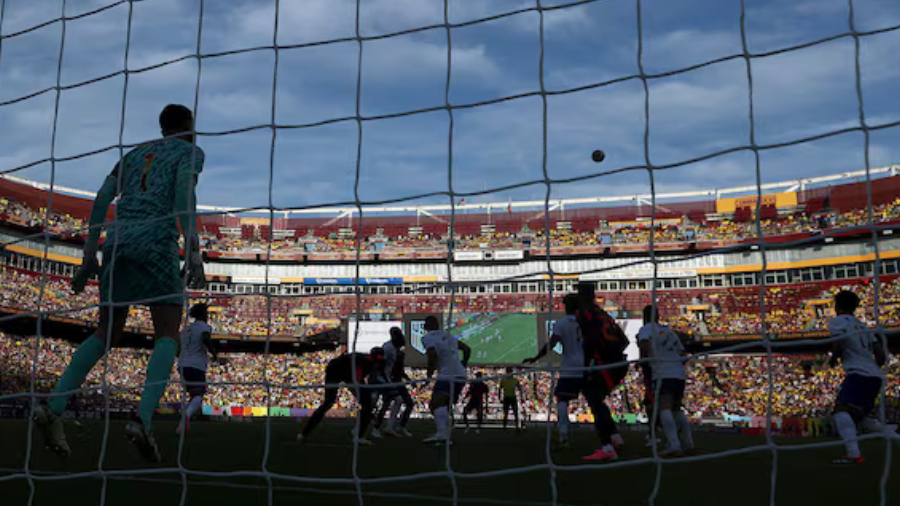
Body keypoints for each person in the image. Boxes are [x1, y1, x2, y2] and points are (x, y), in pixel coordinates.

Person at [33, 105, 205, 462]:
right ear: (188, 126)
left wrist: (88, 257)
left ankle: (55, 406)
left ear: (161, 127)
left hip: (116, 243)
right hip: (155, 242)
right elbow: (181, 198)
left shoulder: (134, 154)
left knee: (106, 332)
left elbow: (101, 198)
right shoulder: (190, 152)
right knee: (168, 334)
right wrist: (192, 247)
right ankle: (141, 420)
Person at [828, 290, 891, 464]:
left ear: (837, 305)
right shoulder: (862, 326)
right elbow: (881, 355)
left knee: (840, 411)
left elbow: (839, 341)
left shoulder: (837, 321)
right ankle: (894, 434)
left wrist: (833, 358)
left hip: (858, 373)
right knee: (860, 417)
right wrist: (872, 368)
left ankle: (853, 454)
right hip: (874, 375)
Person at [575, 282, 628, 461]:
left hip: (602, 362)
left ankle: (607, 447)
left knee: (594, 401)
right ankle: (614, 437)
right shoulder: (602, 312)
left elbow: (590, 340)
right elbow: (624, 340)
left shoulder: (585, 313)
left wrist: (590, 362)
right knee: (598, 401)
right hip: (619, 361)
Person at [523, 293, 583, 448]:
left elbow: (552, 344)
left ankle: (564, 436)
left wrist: (536, 358)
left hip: (569, 367)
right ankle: (610, 439)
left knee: (562, 401)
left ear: (565, 307)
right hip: (588, 366)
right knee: (596, 401)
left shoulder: (561, 324)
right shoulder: (585, 323)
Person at [297, 348, 386, 446]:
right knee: (329, 402)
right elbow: (357, 381)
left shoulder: (371, 361)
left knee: (366, 402)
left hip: (345, 372)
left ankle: (359, 434)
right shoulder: (364, 361)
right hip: (335, 371)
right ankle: (305, 433)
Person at [638, 305, 693, 457]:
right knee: (676, 408)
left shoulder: (646, 330)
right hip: (679, 374)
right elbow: (683, 354)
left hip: (662, 373)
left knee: (664, 407)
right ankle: (688, 443)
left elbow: (644, 346)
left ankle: (674, 444)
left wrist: (644, 362)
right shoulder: (669, 331)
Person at [423, 316, 471, 444]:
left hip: (447, 375)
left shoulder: (428, 338)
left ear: (428, 325)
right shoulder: (448, 336)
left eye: (425, 323)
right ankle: (444, 435)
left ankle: (441, 434)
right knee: (444, 406)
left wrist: (428, 375)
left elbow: (432, 356)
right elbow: (466, 349)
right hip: (460, 375)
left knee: (436, 404)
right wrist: (464, 364)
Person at [177, 303, 220, 436]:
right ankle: (187, 417)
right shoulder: (204, 327)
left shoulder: (186, 329)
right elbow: (205, 338)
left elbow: (179, 348)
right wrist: (214, 354)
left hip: (182, 365)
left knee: (193, 396)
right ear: (203, 314)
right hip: (196, 365)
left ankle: (180, 427)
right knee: (199, 396)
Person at [371, 327, 415, 438]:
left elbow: (396, 368)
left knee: (397, 401)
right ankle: (377, 427)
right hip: (383, 379)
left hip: (388, 379)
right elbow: (380, 365)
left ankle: (389, 427)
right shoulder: (388, 348)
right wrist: (384, 379)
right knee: (387, 402)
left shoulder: (396, 350)